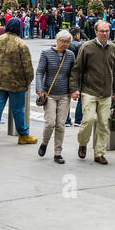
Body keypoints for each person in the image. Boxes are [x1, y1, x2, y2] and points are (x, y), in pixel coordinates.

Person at [69, 19, 115, 165]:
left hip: (106, 93)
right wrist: (74, 89)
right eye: (102, 31)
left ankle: (99, 153)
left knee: (104, 124)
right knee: (89, 120)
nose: (105, 34)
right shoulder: (87, 47)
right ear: (96, 32)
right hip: (89, 91)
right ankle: (83, 143)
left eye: (107, 31)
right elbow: (77, 70)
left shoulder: (113, 48)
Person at [0, 18, 37, 147]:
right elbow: (27, 66)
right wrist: (27, 82)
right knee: (18, 109)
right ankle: (23, 135)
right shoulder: (21, 44)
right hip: (16, 83)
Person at [35, 30, 75, 163]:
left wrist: (75, 90)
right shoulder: (46, 53)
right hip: (49, 94)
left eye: (68, 42)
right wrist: (39, 88)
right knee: (50, 123)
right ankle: (44, 143)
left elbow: (73, 74)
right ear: (57, 40)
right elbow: (40, 72)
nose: (66, 44)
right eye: (63, 41)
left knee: (60, 125)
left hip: (65, 94)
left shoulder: (70, 55)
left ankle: (58, 152)